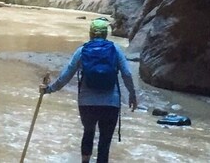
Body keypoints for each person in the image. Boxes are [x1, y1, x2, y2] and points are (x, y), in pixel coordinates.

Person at [40, 18, 137, 163]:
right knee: (105, 142)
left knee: (88, 132)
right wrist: (132, 94)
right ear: (106, 34)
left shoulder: (82, 51)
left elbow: (66, 76)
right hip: (111, 103)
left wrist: (49, 89)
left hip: (87, 103)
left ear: (90, 34)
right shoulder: (116, 50)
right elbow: (127, 74)